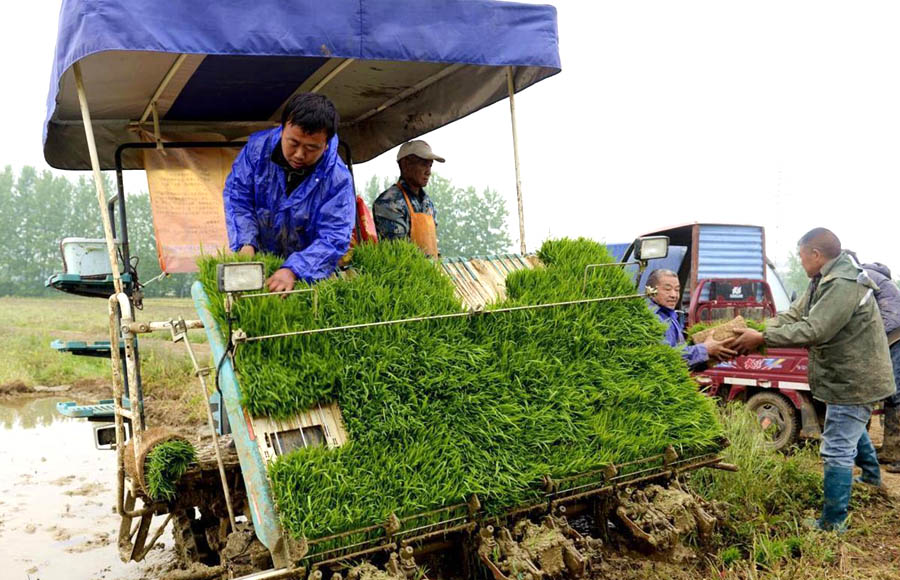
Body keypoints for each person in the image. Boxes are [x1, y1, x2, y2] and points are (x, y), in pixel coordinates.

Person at [732, 228, 894, 531]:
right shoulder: (824, 279)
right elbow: (796, 314)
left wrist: (763, 337)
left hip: (855, 378)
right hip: (844, 376)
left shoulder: (844, 284)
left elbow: (816, 329)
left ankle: (833, 523)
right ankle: (871, 478)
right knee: (849, 427)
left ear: (816, 255)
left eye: (801, 255)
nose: (801, 261)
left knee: (836, 446)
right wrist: (761, 327)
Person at [223, 93, 355, 292]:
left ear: (326, 143)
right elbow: (238, 198)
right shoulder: (257, 152)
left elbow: (334, 236)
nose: (300, 154)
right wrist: (246, 243)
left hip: (310, 275)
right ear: (282, 128)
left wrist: (294, 270)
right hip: (262, 262)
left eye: (312, 148)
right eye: (293, 143)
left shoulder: (337, 179)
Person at [844, 251, 900, 471]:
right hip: (893, 332)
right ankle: (889, 450)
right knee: (890, 392)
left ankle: (897, 454)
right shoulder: (873, 275)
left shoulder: (861, 276)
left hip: (894, 335)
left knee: (896, 395)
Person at [646, 269, 736, 369]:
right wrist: (705, 349)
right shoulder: (651, 319)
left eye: (677, 290)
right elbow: (666, 358)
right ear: (650, 291)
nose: (674, 295)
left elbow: (680, 355)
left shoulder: (670, 316)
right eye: (667, 289)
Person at [372, 140, 445, 257]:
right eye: (423, 164)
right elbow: (399, 253)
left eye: (430, 165)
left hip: (428, 271)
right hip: (405, 273)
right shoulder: (389, 203)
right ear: (405, 165)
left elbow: (433, 249)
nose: (428, 172)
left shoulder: (427, 203)